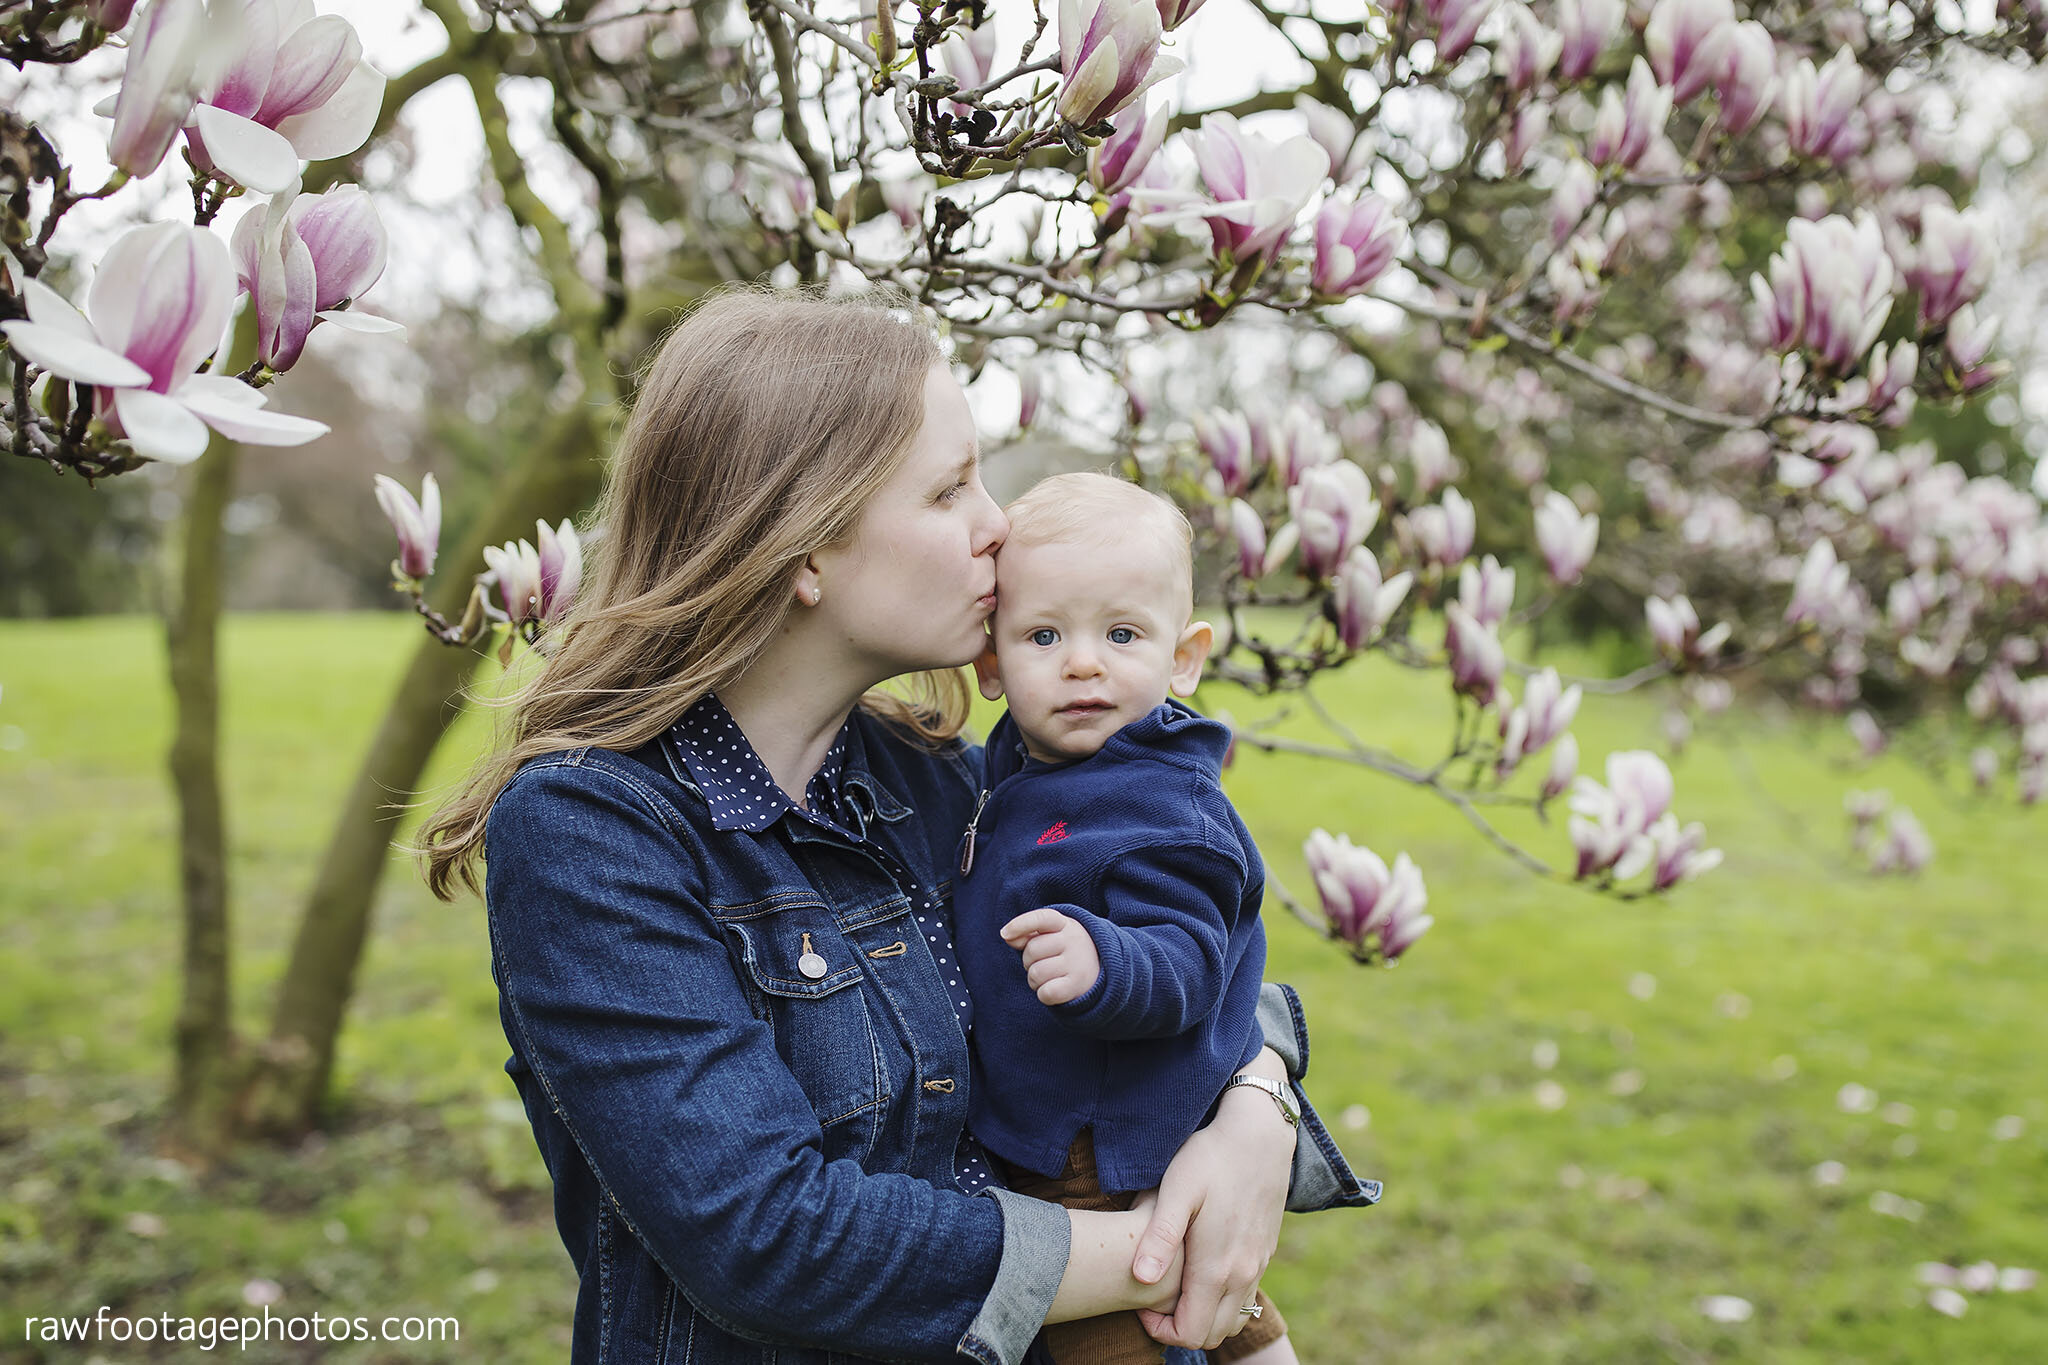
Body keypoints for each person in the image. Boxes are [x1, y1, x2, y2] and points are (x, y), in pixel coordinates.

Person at [419, 287, 1377, 1365]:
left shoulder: (937, 782)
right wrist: (1174, 1249)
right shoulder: (595, 833)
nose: (995, 526)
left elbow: (1177, 933)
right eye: (947, 490)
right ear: (806, 552)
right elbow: (767, 1240)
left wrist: (1258, 1106)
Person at [958, 475, 1375, 1365]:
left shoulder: (1161, 805)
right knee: (1218, 1310)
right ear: (990, 666)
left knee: (1122, 1333)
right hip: (1099, 1126)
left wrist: (1105, 961)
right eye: (1043, 635)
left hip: (1092, 1153)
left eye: (1121, 634)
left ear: (1183, 658)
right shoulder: (1017, 770)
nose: (1082, 662)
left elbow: (1189, 962)